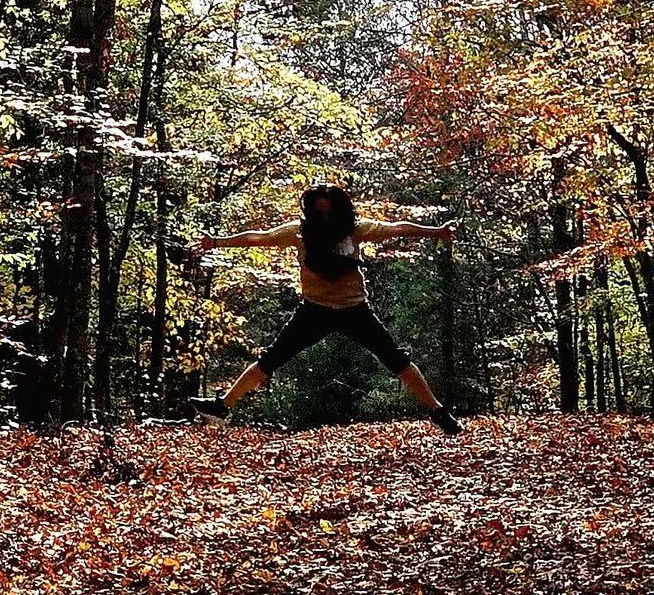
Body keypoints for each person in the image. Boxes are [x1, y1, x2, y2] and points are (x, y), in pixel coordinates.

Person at [192, 185, 463, 433]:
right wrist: (216, 242)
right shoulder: (299, 232)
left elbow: (396, 228)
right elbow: (259, 238)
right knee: (271, 359)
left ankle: (438, 412)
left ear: (339, 210)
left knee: (396, 359)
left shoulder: (355, 230)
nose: (323, 218)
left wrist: (436, 232)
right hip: (314, 311)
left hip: (354, 310)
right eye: (317, 212)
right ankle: (223, 405)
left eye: (328, 211)